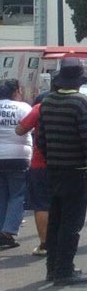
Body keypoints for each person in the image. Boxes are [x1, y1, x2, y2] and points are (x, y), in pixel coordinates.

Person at [37, 57, 87, 285]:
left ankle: (53, 267)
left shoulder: (47, 102)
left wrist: (53, 158)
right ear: (78, 81)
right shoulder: (80, 102)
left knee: (56, 219)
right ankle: (65, 270)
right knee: (71, 223)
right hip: (75, 170)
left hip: (54, 169)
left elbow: (41, 140)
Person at [15, 93, 51, 257]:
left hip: (40, 162)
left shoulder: (39, 108)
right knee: (63, 204)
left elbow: (20, 129)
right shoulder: (75, 106)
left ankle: (44, 244)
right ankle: (62, 242)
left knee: (41, 204)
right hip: (67, 163)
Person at [0, 79, 32, 249]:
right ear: (16, 91)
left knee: (2, 195)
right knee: (18, 195)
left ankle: (1, 229)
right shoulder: (24, 108)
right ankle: (8, 231)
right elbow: (33, 128)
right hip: (19, 157)